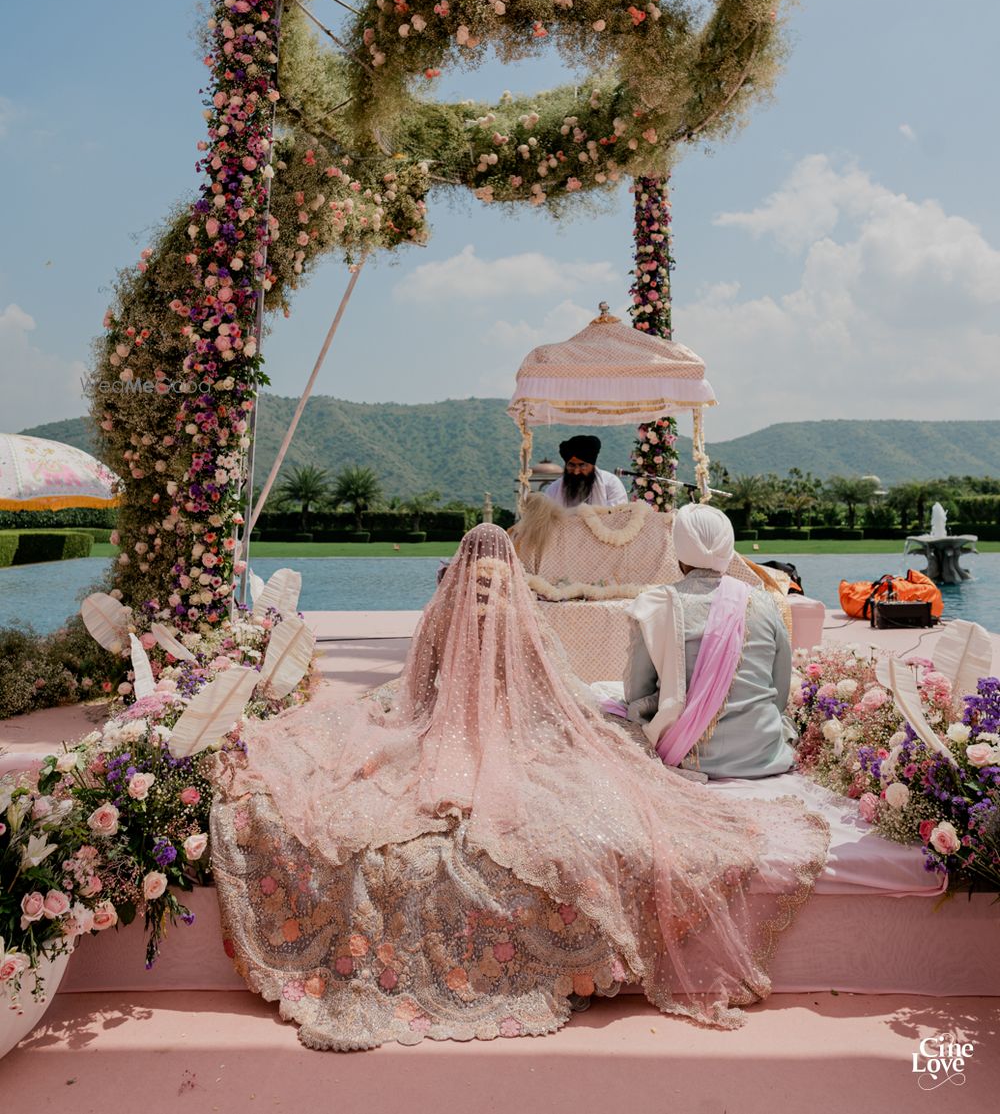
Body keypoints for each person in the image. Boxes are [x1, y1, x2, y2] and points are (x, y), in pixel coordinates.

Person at [210, 525, 828, 1051]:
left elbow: (417, 690)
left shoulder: (445, 611)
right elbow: (552, 687)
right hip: (523, 739)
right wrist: (588, 722)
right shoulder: (520, 614)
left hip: (442, 737)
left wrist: (421, 719)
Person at [623, 503, 796, 779]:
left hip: (689, 757)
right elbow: (780, 689)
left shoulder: (656, 605)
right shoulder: (765, 602)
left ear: (678, 550)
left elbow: (636, 692)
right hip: (763, 752)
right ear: (728, 547)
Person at [542, 434, 628, 508]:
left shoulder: (611, 484)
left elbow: (617, 517)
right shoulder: (553, 490)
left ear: (592, 465)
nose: (576, 471)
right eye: (571, 465)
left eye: (582, 465)